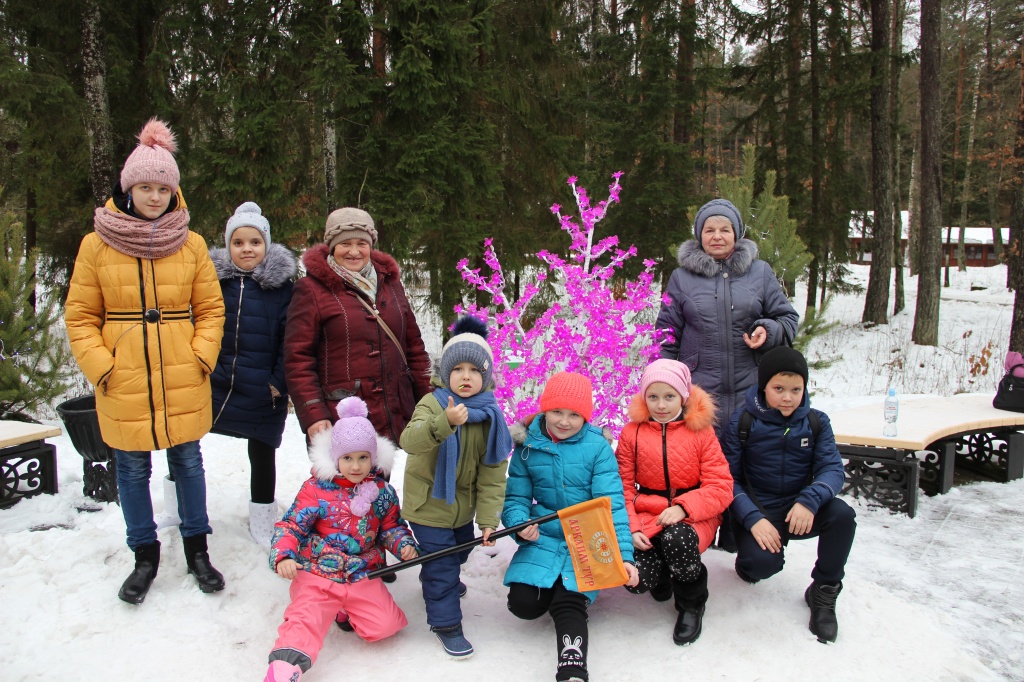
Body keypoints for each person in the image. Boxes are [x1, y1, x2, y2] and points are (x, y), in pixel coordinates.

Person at [65, 118, 226, 604]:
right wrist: (104, 367)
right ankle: (144, 556)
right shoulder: (96, 243)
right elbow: (80, 316)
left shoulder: (191, 243)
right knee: (131, 469)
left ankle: (198, 550)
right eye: (145, 187)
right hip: (125, 376)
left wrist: (200, 356)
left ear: (173, 191)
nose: (154, 197)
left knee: (188, 461)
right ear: (128, 189)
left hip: (181, 372)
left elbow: (210, 309)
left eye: (163, 188)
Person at [656, 198, 798, 551]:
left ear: (737, 234)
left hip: (751, 386)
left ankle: (739, 536)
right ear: (699, 235)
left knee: (747, 461)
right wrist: (663, 382)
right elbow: (666, 334)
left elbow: (787, 319)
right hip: (701, 390)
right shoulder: (681, 277)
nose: (717, 236)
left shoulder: (759, 273)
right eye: (709, 229)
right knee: (699, 465)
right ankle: (697, 536)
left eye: (725, 229)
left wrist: (768, 329)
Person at [264, 397, 419, 682]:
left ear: (373, 457)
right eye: (347, 458)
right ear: (336, 458)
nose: (356, 466)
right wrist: (284, 555)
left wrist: (404, 545)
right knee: (305, 619)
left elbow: (390, 527)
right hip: (318, 570)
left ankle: (346, 609)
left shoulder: (382, 492)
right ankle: (284, 670)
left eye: (363, 457)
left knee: (385, 626)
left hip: (360, 571)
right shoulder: (316, 489)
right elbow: (292, 525)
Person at [502, 372, 639, 682]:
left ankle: (572, 665)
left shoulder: (597, 447)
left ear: (585, 416)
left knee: (569, 598)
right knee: (523, 605)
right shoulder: (527, 446)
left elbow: (612, 506)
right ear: (544, 409)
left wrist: (624, 556)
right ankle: (555, 585)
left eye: (574, 415)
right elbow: (516, 498)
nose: (564, 421)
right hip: (546, 534)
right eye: (557, 412)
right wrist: (519, 523)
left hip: (588, 535)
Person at [719, 347, 857, 643]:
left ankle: (824, 591)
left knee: (842, 515)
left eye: (796, 390)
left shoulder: (817, 423)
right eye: (778, 389)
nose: (787, 397)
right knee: (760, 566)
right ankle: (747, 563)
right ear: (763, 387)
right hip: (759, 511)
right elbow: (727, 479)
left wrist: (809, 501)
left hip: (800, 509)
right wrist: (752, 518)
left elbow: (832, 469)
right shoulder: (742, 422)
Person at [399, 316, 512, 658]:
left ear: (486, 377)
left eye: (475, 370)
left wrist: (488, 520)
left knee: (460, 552)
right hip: (428, 504)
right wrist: (444, 423)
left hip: (462, 508)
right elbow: (409, 441)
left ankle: (438, 576)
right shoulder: (433, 404)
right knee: (444, 567)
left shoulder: (491, 416)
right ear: (446, 373)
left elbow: (492, 474)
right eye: (458, 369)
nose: (466, 376)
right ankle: (446, 624)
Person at [283, 207, 431, 446]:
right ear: (332, 246)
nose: (354, 251)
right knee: (344, 471)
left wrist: (429, 400)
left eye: (361, 243)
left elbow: (414, 347)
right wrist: (314, 413)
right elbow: (298, 358)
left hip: (394, 411)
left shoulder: (390, 283)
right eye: (345, 244)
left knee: (386, 471)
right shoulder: (311, 289)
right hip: (341, 415)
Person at [615, 359, 733, 645]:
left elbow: (721, 486)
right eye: (653, 396)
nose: (661, 405)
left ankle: (691, 602)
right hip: (648, 513)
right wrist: (632, 528)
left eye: (669, 396)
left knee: (677, 540)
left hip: (694, 514)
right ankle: (663, 575)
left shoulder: (701, 431)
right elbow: (621, 487)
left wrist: (683, 507)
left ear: (683, 396)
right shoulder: (632, 432)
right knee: (636, 579)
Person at [207, 202, 297, 548]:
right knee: (182, 442)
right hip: (214, 384)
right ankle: (180, 507)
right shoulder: (213, 283)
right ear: (228, 246)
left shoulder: (283, 289)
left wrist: (277, 384)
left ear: (266, 245)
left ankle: (262, 521)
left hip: (262, 389)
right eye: (238, 242)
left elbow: (290, 341)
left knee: (262, 452)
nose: (247, 249)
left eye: (255, 242)